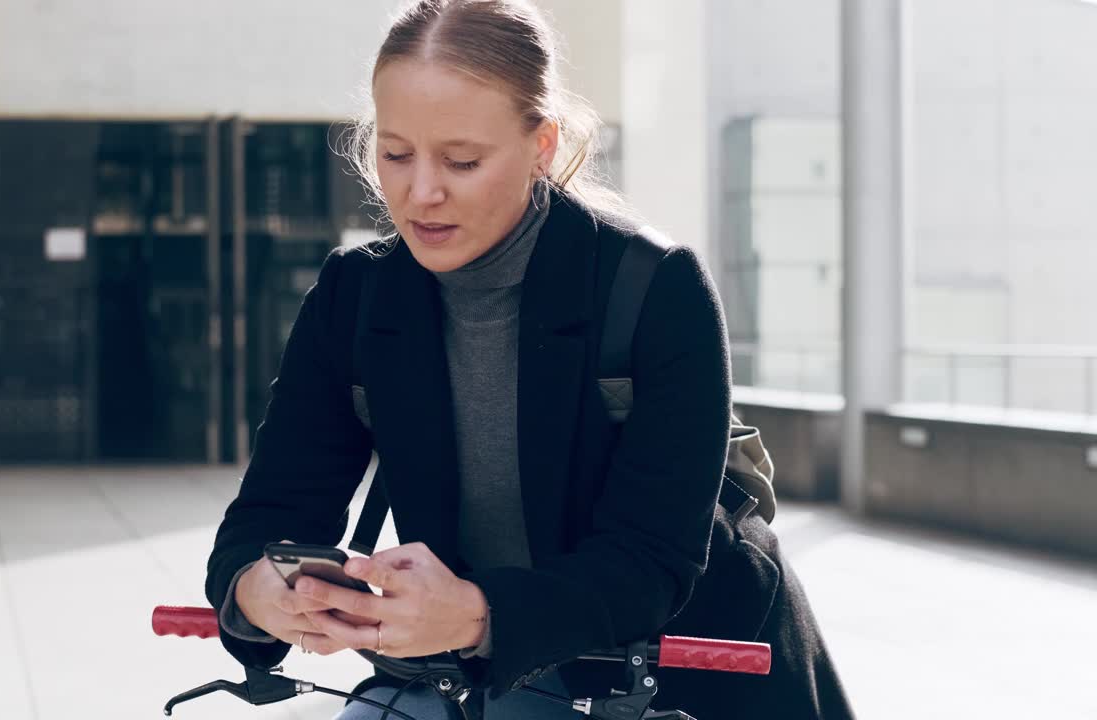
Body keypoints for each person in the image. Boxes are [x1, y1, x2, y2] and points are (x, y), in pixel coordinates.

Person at [206, 1, 854, 718]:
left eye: (462, 160)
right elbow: (273, 505)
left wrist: (478, 611)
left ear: (541, 145)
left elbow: (650, 560)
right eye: (394, 154)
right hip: (473, 667)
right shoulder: (351, 296)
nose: (421, 192)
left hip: (680, 664)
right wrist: (253, 590)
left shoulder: (655, 288)